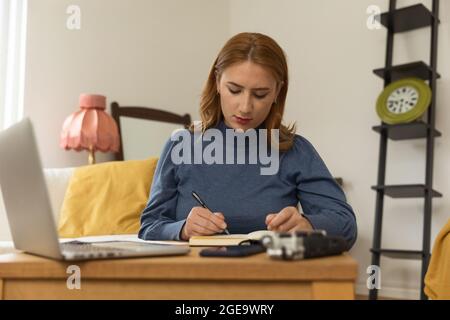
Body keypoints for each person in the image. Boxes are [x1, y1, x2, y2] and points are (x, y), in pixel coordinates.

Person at [138, 32, 357, 249]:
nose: (245, 107)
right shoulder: (181, 145)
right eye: (234, 90)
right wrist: (183, 229)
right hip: (196, 277)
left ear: (277, 92)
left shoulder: (294, 150)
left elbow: (346, 225)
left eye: (260, 94)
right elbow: (149, 226)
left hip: (269, 278)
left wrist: (308, 224)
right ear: (217, 82)